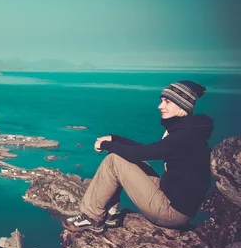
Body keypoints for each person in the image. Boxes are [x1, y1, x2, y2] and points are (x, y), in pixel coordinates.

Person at [63, 80, 213, 233]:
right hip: (171, 198)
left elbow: (139, 154)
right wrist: (115, 139)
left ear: (182, 105)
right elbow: (149, 150)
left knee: (114, 160)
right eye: (161, 101)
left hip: (172, 213)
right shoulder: (190, 131)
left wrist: (106, 145)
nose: (160, 106)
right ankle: (110, 215)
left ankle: (91, 217)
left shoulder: (184, 137)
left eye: (167, 102)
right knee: (121, 157)